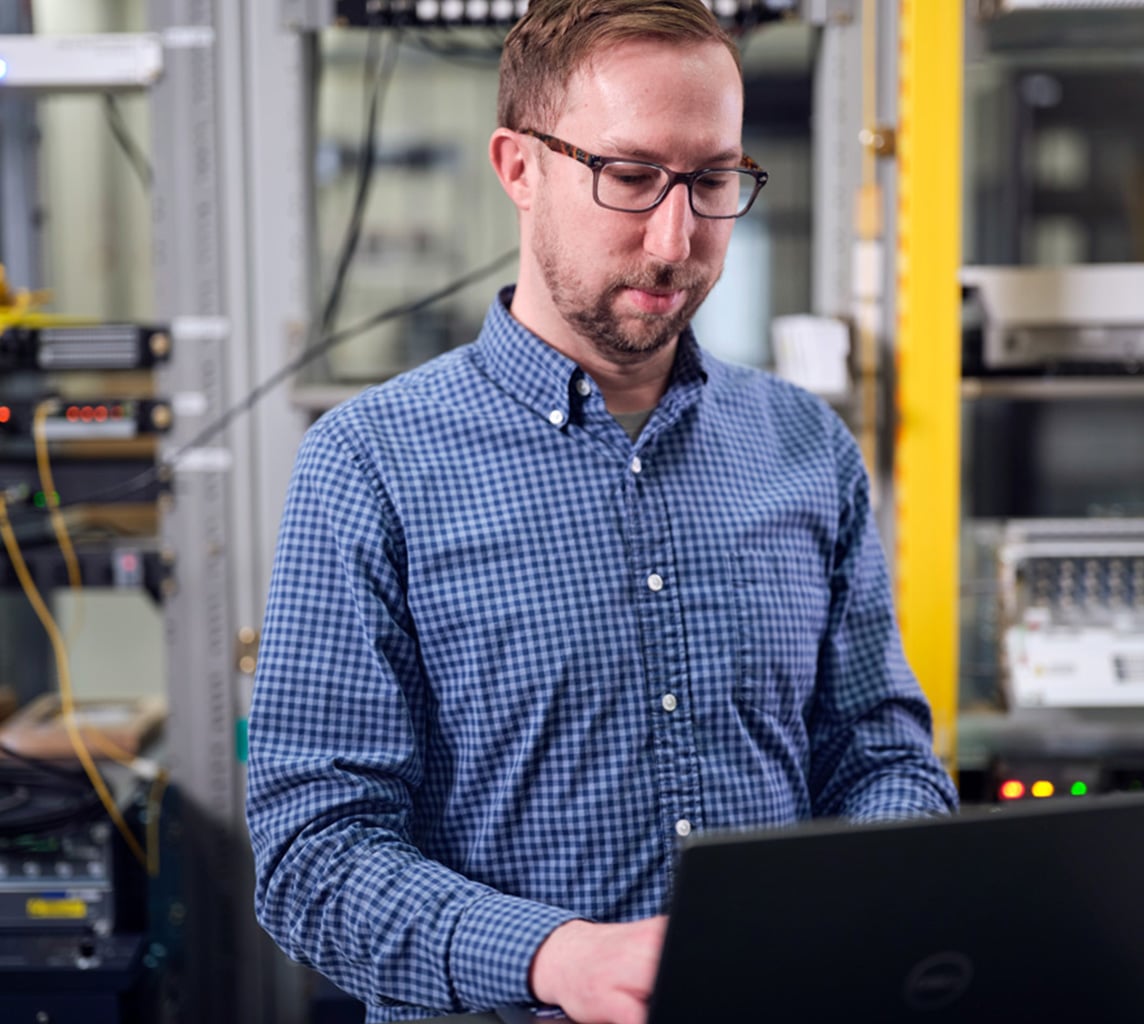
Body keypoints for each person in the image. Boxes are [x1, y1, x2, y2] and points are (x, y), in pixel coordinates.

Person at [245, 2, 959, 1022]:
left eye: (713, 181)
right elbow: (312, 855)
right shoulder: (370, 465)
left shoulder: (806, 448)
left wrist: (850, 901)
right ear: (519, 167)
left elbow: (880, 758)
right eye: (628, 178)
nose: (676, 240)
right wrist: (551, 958)